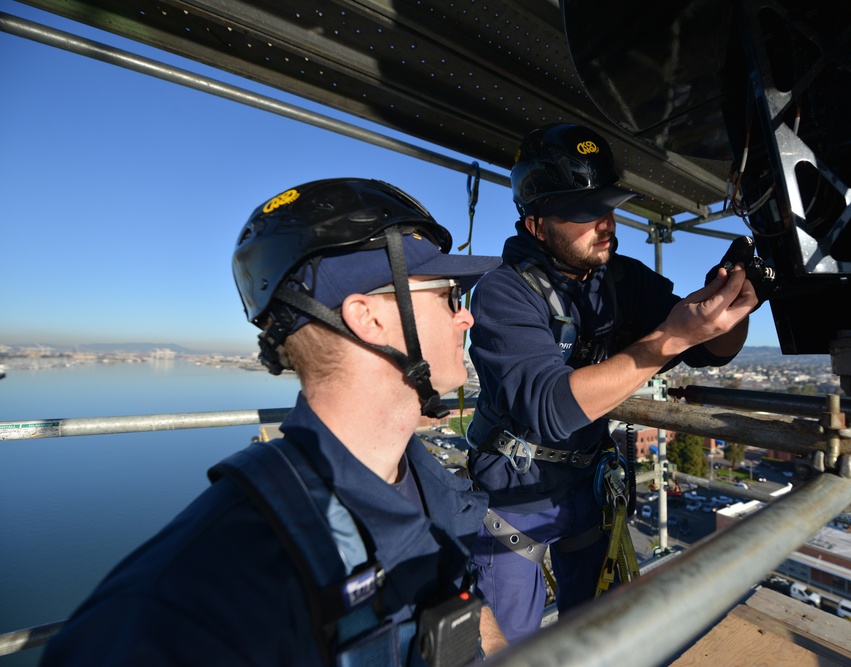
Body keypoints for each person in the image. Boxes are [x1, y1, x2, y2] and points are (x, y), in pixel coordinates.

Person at [40, 177, 508, 666]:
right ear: (367, 318)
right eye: (450, 296)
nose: (466, 318)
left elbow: (464, 606)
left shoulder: (425, 485)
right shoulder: (203, 595)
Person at [465, 123, 768, 643]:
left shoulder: (621, 279)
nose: (606, 223)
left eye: (608, 206)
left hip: (586, 483)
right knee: (505, 649)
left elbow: (712, 350)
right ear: (536, 224)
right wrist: (670, 338)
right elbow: (551, 408)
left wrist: (730, 300)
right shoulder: (502, 293)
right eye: (585, 212)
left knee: (597, 634)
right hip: (515, 493)